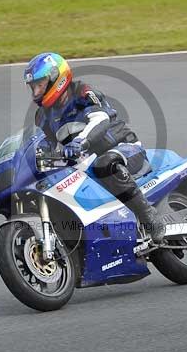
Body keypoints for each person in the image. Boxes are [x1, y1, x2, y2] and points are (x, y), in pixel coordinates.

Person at [24, 52, 166, 244]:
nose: (35, 93)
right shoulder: (42, 116)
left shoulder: (82, 93)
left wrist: (80, 142)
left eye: (39, 85)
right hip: (85, 162)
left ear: (56, 79)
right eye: (33, 87)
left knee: (104, 164)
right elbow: (47, 143)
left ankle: (150, 217)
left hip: (123, 147)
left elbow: (101, 119)